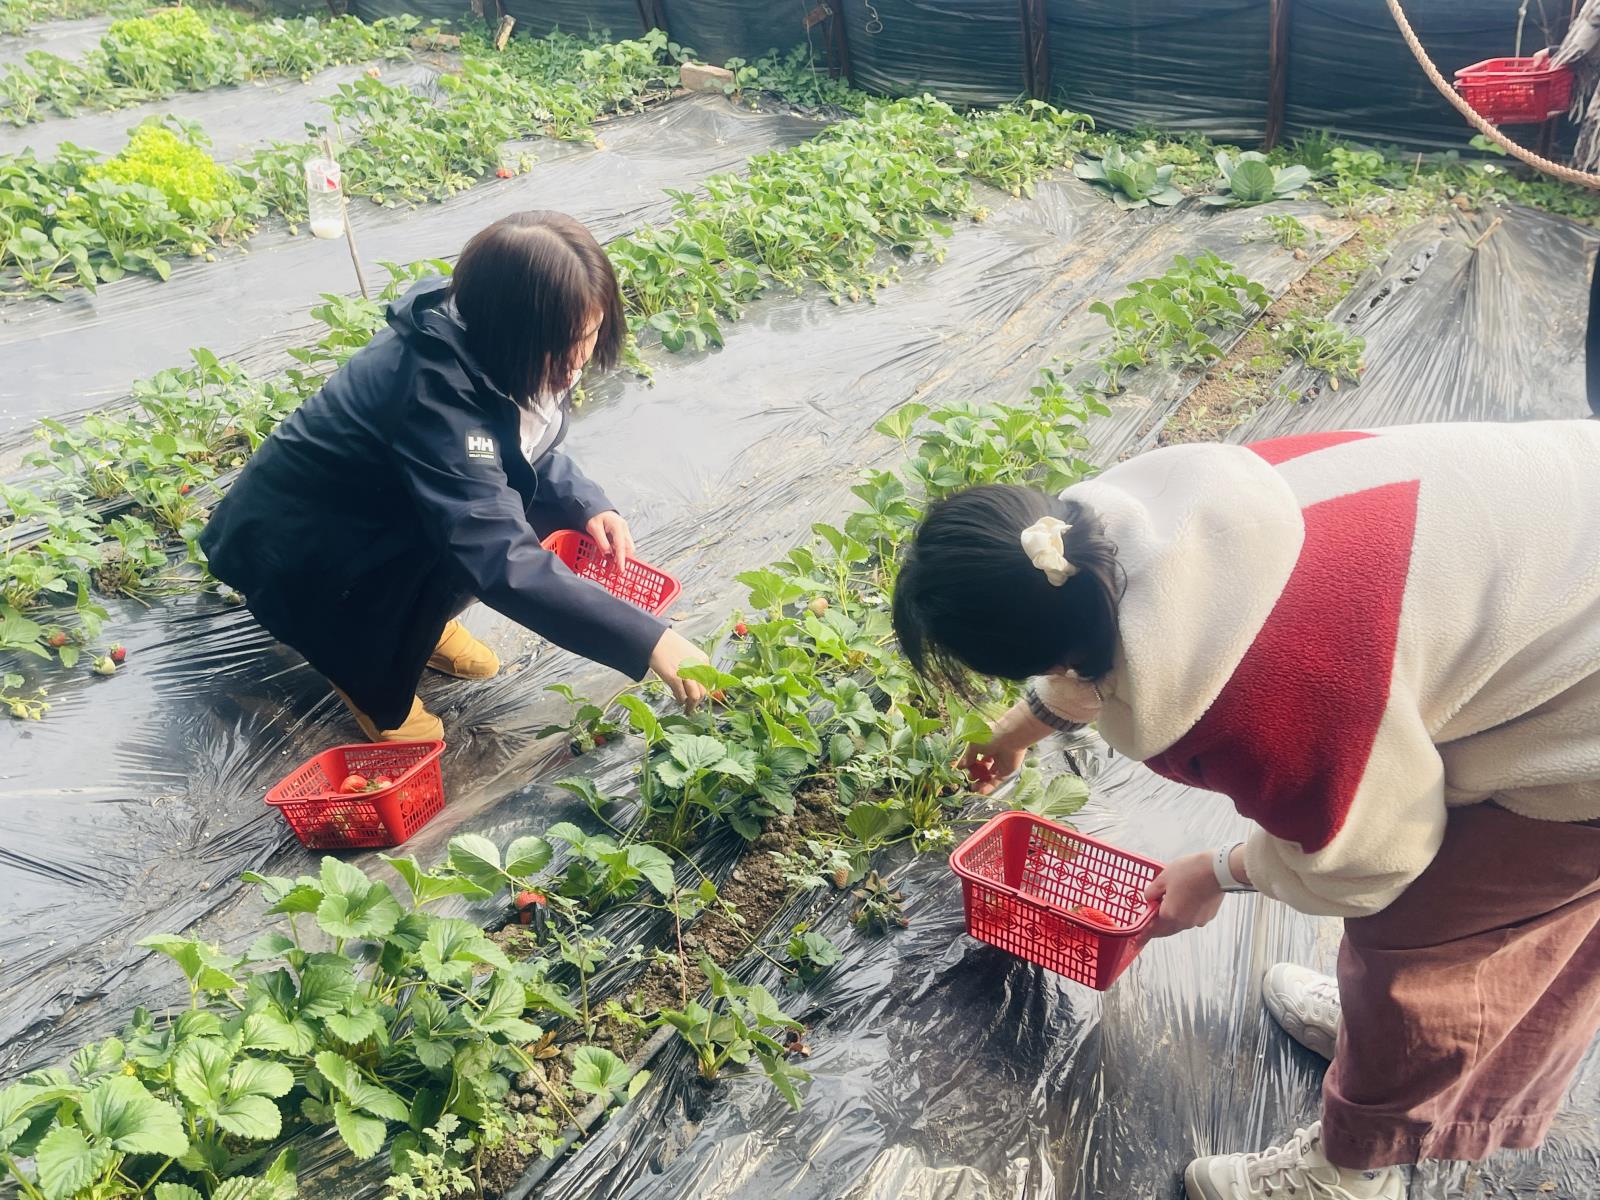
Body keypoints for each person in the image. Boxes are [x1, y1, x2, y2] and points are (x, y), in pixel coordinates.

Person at [891, 422, 1600, 1200]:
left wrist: (1219, 872)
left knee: (1431, 941)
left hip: (1582, 717)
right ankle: (1373, 1034)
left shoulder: (1271, 695)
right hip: (1562, 526)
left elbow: (1376, 857)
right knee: (1406, 935)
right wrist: (1017, 731)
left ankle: (1357, 1167)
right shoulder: (1136, 525)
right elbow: (1099, 636)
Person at [201, 211, 708, 741]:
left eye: (591, 331)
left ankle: (419, 625)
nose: (581, 355)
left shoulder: (494, 343)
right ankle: (369, 678)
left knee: (524, 505)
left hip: (385, 503)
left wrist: (586, 502)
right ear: (517, 331)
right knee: (452, 554)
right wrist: (650, 640)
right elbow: (497, 555)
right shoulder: (433, 397)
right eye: (569, 340)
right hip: (307, 549)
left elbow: (520, 449)